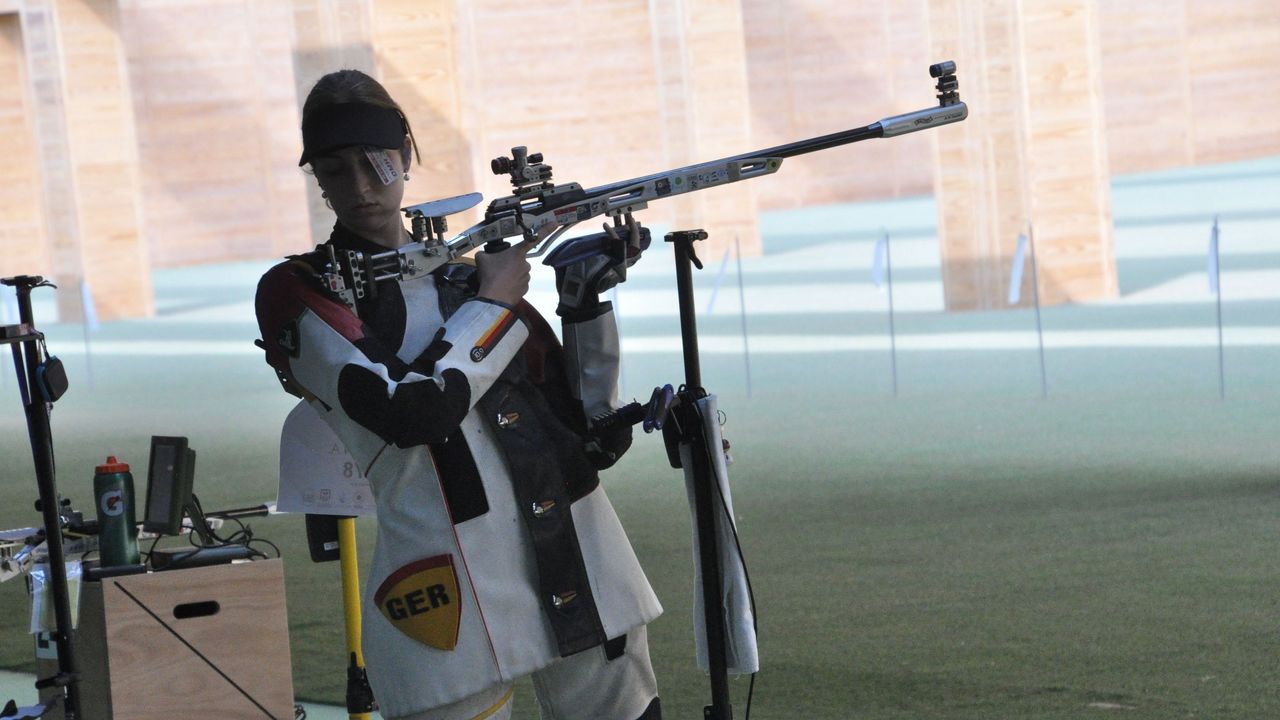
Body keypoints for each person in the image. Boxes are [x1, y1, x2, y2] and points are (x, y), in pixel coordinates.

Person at [255, 69, 662, 720]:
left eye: (375, 162)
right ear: (319, 181)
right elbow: (416, 411)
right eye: (335, 171)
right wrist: (496, 299)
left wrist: (585, 303)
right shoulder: (301, 293)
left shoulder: (470, 282)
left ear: (406, 158)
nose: (360, 188)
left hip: (581, 562)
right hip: (441, 595)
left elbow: (596, 438)